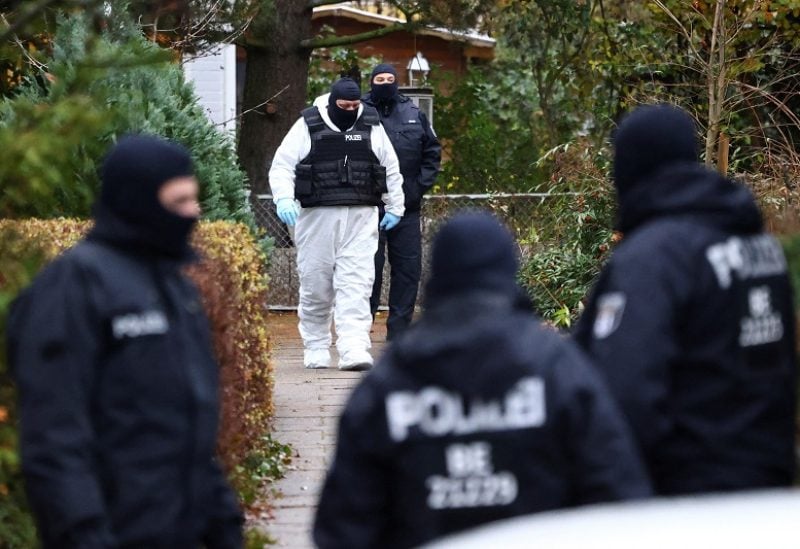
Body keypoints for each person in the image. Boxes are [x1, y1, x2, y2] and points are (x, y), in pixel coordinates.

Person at [313, 211, 652, 549]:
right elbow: (617, 493)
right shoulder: (557, 368)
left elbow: (344, 525)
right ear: (508, 273)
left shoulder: (389, 384)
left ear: (438, 278)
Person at [7, 135, 244, 548]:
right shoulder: (74, 287)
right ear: (138, 203)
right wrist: (84, 534)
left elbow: (187, 427)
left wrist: (223, 519)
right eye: (178, 202)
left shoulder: (177, 289)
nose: (193, 213)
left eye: (194, 199)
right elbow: (54, 438)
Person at [574, 104, 797, 495]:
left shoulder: (654, 257)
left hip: (687, 499)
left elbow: (625, 393)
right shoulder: (758, 245)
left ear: (631, 166)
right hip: (768, 486)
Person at [269, 77, 405, 370]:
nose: (350, 110)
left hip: (360, 216)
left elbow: (390, 168)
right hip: (316, 218)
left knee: (356, 284)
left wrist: (396, 206)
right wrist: (283, 198)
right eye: (344, 106)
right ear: (332, 103)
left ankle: (354, 347)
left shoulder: (371, 124)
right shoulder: (308, 124)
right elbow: (282, 165)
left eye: (354, 105)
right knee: (316, 284)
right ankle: (316, 345)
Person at [365, 62, 441, 341]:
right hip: (368, 208)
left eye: (389, 78)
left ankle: (399, 333)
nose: (385, 83)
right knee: (366, 271)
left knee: (407, 271)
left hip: (407, 208)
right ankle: (360, 330)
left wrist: (416, 190)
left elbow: (432, 154)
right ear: (371, 82)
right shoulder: (359, 111)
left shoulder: (413, 113)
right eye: (379, 79)